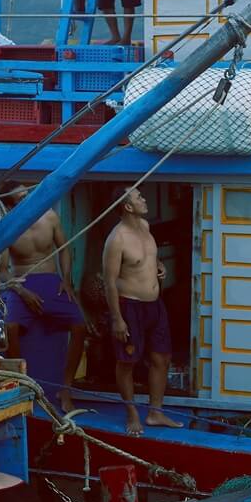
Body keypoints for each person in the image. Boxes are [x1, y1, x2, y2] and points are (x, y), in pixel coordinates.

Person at [0, 182, 86, 415]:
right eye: (21, 199)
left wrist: (66, 280)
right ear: (10, 206)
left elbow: (65, 248)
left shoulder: (50, 217)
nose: (28, 202)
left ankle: (66, 389)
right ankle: (23, 386)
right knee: (11, 327)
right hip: (22, 283)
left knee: (80, 326)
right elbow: (3, 271)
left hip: (52, 280)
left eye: (29, 195)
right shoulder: (8, 228)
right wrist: (22, 292)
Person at [102, 187, 182, 436]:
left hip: (155, 305)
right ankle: (132, 413)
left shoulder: (145, 227)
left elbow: (149, 259)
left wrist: (159, 267)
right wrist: (116, 319)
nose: (144, 199)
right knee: (128, 362)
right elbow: (109, 282)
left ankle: (155, 412)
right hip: (130, 306)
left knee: (162, 358)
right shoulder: (117, 239)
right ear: (127, 206)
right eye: (138, 197)